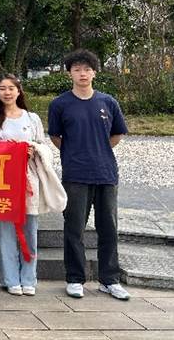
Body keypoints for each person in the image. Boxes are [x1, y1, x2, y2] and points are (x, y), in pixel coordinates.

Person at [48, 49, 130, 301]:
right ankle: (75, 278)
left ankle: (110, 279)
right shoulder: (60, 104)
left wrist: (98, 149)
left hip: (106, 173)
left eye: (87, 69)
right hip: (75, 173)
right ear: (69, 73)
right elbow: (55, 136)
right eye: (77, 69)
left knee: (109, 228)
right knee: (74, 228)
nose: (82, 74)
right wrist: (75, 152)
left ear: (94, 72)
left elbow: (117, 134)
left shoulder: (108, 102)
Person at [0, 74, 46, 296]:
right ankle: (10, 278)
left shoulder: (32, 119)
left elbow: (43, 146)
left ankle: (29, 278)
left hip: (28, 177)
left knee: (30, 228)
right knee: (5, 231)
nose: (7, 92)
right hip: (3, 179)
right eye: (2, 88)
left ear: (19, 91)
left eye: (11, 88)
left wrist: (32, 150)